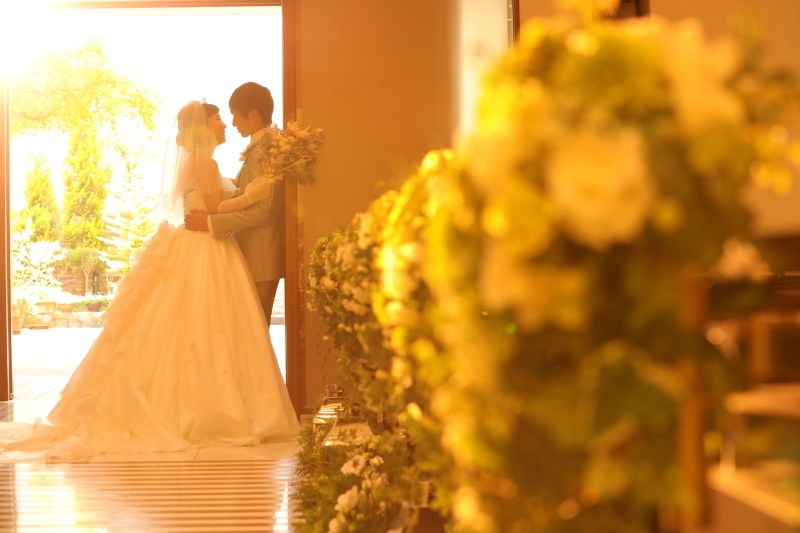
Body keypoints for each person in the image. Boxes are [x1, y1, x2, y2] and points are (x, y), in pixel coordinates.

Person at [0, 101, 299, 462]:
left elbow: (206, 204)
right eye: (218, 118)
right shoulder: (206, 163)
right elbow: (215, 208)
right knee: (210, 325)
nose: (223, 124)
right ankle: (217, 410)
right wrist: (253, 194)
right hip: (208, 246)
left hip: (198, 243)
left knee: (189, 325)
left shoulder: (195, 162)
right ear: (203, 127)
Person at [185, 82, 285, 326]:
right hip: (250, 249)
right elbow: (247, 193)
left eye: (235, 116)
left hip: (261, 251)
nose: (233, 123)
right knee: (249, 329)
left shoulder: (267, 148)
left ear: (253, 114)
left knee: (257, 329)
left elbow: (263, 209)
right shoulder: (260, 147)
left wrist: (210, 222)